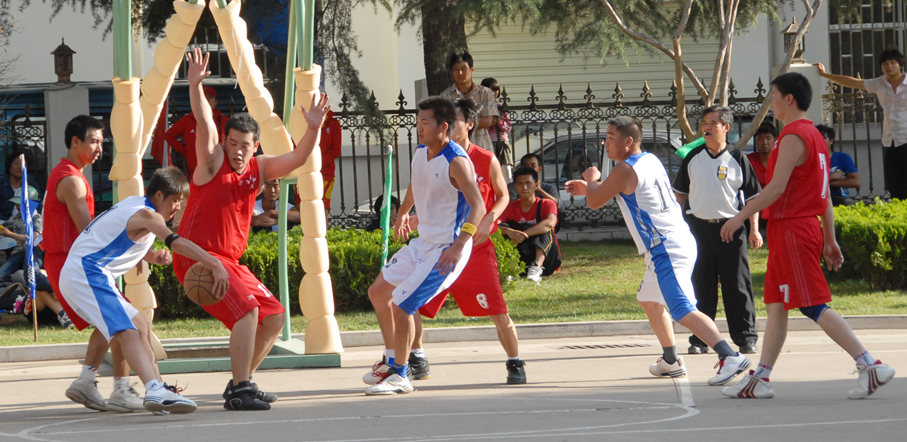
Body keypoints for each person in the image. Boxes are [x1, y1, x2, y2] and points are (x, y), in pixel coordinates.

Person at [719, 72, 895, 399]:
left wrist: (739, 217)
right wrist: (830, 239)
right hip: (800, 227)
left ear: (788, 99)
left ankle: (870, 364)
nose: (770, 103)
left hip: (793, 229)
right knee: (776, 304)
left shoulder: (792, 136)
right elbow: (823, 193)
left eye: (773, 96)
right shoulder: (814, 135)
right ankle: (761, 379)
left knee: (812, 304)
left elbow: (775, 188)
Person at [173, 48, 331, 410]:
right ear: (225, 143)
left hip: (230, 262)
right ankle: (241, 390)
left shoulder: (259, 168)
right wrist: (195, 85)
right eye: (233, 144)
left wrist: (313, 127)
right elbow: (205, 124)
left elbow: (298, 158)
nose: (238, 151)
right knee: (247, 312)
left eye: (245, 146)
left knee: (274, 316)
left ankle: (240, 383)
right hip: (199, 258)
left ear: (255, 146)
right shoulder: (211, 163)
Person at [565, 116, 751, 384]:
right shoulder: (648, 160)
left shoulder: (624, 168)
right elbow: (625, 191)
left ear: (628, 141)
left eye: (611, 137)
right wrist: (593, 188)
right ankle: (671, 360)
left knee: (682, 309)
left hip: (665, 247)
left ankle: (729, 356)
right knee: (649, 300)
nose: (605, 143)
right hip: (674, 241)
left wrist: (593, 180)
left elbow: (595, 201)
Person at [60, 167, 230, 414]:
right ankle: (154, 389)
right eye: (175, 200)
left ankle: (90, 382)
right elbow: (176, 243)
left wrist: (151, 256)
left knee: (139, 326)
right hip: (86, 272)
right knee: (126, 331)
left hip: (87, 272)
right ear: (159, 195)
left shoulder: (136, 206)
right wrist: (214, 262)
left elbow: (117, 237)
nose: (178, 207)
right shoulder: (148, 215)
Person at [363, 96, 486, 395]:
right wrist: (403, 212)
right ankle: (391, 361)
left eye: (425, 123)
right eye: (417, 122)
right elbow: (417, 184)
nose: (419, 128)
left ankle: (401, 376)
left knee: (403, 303)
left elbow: (479, 206)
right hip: (423, 243)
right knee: (379, 292)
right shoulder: (421, 151)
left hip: (446, 249)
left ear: (443, 127)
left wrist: (459, 246)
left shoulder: (456, 162)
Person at [408, 98, 524, 384]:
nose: (450, 125)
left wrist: (490, 219)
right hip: (439, 248)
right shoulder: (430, 154)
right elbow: (422, 189)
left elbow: (502, 196)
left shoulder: (485, 158)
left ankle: (515, 361)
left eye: (456, 120)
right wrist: (411, 214)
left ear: (469, 124)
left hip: (474, 249)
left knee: (496, 309)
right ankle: (416, 357)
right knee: (408, 301)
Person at [44, 115, 143, 413]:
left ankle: (89, 381)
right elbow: (88, 232)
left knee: (113, 320)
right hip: (72, 264)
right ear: (76, 142)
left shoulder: (69, 173)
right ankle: (120, 389)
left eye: (101, 142)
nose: (100, 148)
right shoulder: (72, 180)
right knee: (121, 319)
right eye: (94, 141)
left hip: (71, 262)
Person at [672, 105, 762, 355]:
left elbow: (753, 198)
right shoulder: (693, 157)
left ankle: (746, 337)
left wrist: (753, 229)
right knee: (702, 285)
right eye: (704, 123)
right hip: (698, 229)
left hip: (731, 228)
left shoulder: (738, 158)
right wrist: (679, 226)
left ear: (726, 127)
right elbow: (680, 195)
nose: (707, 127)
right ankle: (700, 340)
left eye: (713, 123)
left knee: (738, 285)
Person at [816, 50, 907, 199]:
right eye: (885, 63)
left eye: (892, 63)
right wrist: (825, 75)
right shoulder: (879, 83)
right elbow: (852, 82)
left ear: (900, 65)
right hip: (889, 140)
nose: (889, 66)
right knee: (894, 183)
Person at [498, 166, 561, 283]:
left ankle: (536, 268)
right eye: (520, 184)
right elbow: (494, 226)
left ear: (536, 185)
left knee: (545, 228)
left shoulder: (547, 204)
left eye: (528, 183)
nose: (524, 187)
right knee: (504, 228)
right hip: (521, 255)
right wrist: (509, 232)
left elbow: (550, 223)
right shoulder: (509, 207)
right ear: (515, 187)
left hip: (547, 259)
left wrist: (522, 235)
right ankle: (511, 268)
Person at [163, 85, 229, 179]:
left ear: (216, 101)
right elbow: (169, 135)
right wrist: (185, 151)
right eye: (203, 97)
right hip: (195, 171)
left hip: (219, 170)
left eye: (210, 97)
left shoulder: (223, 120)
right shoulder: (187, 120)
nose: (207, 100)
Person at [440, 51, 500, 152]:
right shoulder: (445, 96)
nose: (460, 73)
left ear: (472, 70)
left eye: (464, 69)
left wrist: (460, 124)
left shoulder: (485, 93)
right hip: (455, 150)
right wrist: (473, 121)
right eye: (456, 69)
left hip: (481, 146)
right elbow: (445, 123)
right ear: (451, 72)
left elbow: (488, 121)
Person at [816, 124, 861, 206]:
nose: (819, 140)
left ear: (831, 140)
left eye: (823, 136)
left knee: (848, 203)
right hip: (817, 198)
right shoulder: (810, 159)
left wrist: (827, 183)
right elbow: (809, 183)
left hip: (838, 197)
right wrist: (831, 176)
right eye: (816, 137)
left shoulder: (843, 158)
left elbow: (856, 182)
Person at [480, 77, 514, 169]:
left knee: (506, 169)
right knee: (489, 169)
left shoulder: (501, 108)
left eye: (496, 90)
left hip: (502, 141)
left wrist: (500, 122)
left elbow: (509, 127)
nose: (494, 93)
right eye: (491, 90)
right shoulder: (480, 108)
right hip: (486, 142)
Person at [0, 151, 40, 221]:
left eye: (24, 164)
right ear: (9, 167)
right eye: (17, 163)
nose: (20, 167)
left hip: (26, 221)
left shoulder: (32, 186)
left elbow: (37, 206)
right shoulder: (1, 184)